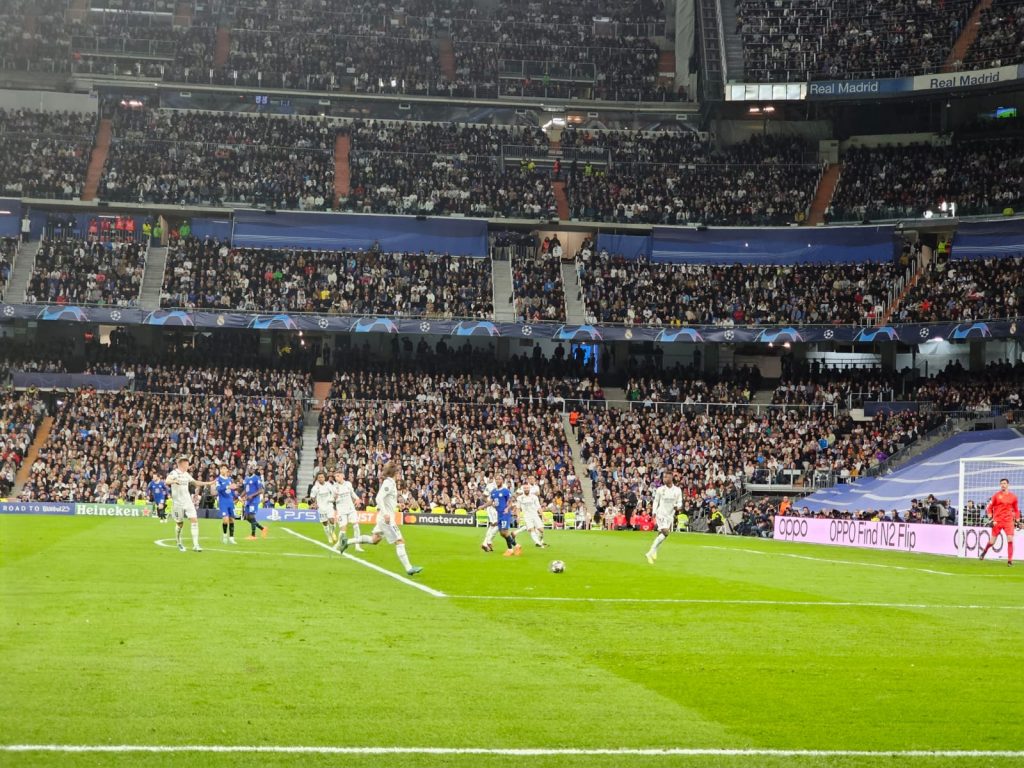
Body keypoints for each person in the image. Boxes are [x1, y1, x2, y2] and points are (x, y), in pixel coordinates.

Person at [337, 461, 422, 576]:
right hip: (386, 519)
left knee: (374, 540)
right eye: (398, 472)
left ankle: (347, 542)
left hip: (384, 518)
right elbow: (379, 498)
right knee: (399, 541)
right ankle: (409, 568)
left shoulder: (390, 483)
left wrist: (397, 505)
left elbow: (387, 500)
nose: (399, 474)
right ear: (395, 473)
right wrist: (386, 514)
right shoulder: (388, 483)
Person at [166, 456, 214, 552]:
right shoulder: (174, 473)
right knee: (180, 524)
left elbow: (195, 482)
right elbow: (167, 481)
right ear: (182, 464)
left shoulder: (186, 474)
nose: (188, 465)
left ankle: (196, 545)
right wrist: (174, 481)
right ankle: (179, 542)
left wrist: (208, 483)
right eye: (187, 463)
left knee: (194, 520)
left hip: (187, 501)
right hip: (177, 503)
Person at [979, 478, 1021, 566]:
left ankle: (1009, 561)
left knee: (1010, 539)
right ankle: (984, 551)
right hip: (997, 521)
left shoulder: (1013, 497)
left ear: (1008, 485)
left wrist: (1018, 521)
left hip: (1008, 521)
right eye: (1001, 483)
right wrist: (990, 519)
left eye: (1004, 483)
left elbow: (1016, 510)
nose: (1003, 485)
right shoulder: (996, 496)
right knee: (992, 542)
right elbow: (989, 508)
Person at [645, 471, 682, 564]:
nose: (664, 479)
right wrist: (654, 511)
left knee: (661, 535)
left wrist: (678, 507)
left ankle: (655, 550)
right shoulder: (660, 489)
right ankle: (650, 552)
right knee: (666, 532)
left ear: (671, 478)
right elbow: (656, 501)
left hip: (670, 515)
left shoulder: (677, 490)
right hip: (661, 514)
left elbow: (680, 502)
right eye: (664, 477)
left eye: (666, 477)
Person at [333, 469, 364, 552]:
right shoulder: (334, 487)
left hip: (351, 509)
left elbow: (352, 493)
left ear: (342, 476)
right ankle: (338, 544)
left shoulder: (348, 484)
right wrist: (335, 497)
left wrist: (357, 499)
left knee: (356, 526)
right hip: (341, 511)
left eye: (338, 476)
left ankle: (357, 546)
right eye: (335, 476)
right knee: (343, 529)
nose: (336, 478)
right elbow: (332, 499)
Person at [514, 483, 547, 548]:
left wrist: (543, 516)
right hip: (527, 516)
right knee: (531, 529)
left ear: (529, 488)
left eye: (527, 488)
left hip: (535, 515)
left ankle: (540, 540)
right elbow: (518, 508)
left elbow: (538, 507)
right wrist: (518, 516)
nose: (526, 489)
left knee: (541, 530)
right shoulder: (520, 498)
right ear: (523, 489)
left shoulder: (534, 497)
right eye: (525, 488)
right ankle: (537, 543)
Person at [310, 471, 337, 545]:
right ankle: (329, 536)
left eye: (322, 477)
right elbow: (312, 497)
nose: (320, 478)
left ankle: (332, 532)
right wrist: (314, 503)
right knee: (325, 523)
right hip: (321, 507)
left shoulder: (329, 485)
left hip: (329, 505)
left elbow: (334, 493)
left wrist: (333, 498)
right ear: (317, 478)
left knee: (332, 520)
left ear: (325, 478)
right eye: (319, 477)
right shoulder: (315, 488)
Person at [242, 463, 268, 540]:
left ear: (254, 470)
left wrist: (252, 495)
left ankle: (253, 535)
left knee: (251, 516)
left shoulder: (256, 478)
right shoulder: (246, 479)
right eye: (250, 468)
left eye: (253, 468)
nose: (251, 469)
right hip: (248, 500)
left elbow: (261, 490)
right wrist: (240, 497)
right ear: (248, 469)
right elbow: (246, 490)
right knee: (247, 517)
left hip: (254, 500)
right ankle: (263, 529)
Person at [214, 464, 239, 544]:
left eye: (225, 468)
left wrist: (238, 497)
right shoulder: (218, 479)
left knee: (232, 520)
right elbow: (218, 489)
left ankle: (231, 538)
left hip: (230, 502)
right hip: (223, 502)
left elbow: (232, 491)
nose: (223, 470)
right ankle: (225, 535)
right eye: (222, 468)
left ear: (227, 470)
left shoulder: (229, 479)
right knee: (225, 520)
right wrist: (228, 487)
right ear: (220, 470)